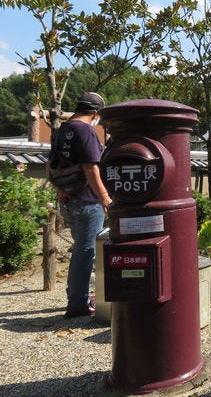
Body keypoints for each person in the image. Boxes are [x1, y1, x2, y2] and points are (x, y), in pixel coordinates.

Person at [53, 92, 112, 318]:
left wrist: (60, 189)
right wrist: (105, 196)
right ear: (96, 113)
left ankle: (76, 295)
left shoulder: (62, 130)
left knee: (80, 250)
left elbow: (54, 163)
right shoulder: (85, 129)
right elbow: (91, 167)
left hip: (68, 197)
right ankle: (77, 303)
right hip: (87, 199)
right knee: (86, 252)